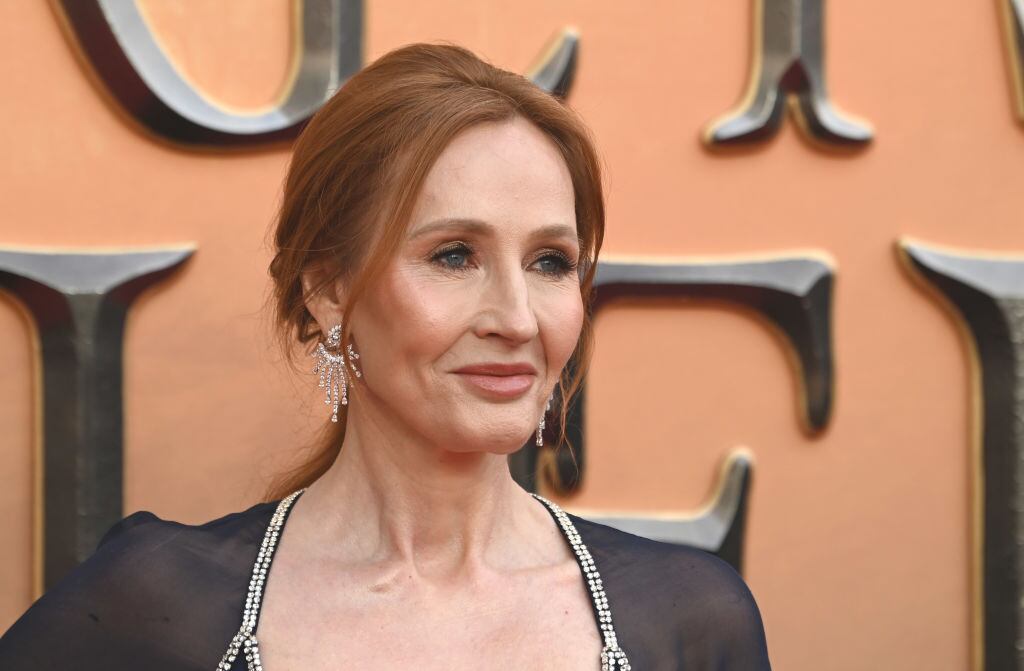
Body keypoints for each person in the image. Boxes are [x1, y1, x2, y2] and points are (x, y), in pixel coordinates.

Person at [0, 42, 772, 670]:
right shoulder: (162, 600)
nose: (516, 318)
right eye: (454, 255)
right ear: (329, 291)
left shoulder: (689, 620)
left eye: (550, 262)